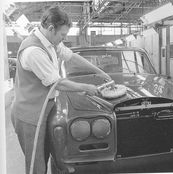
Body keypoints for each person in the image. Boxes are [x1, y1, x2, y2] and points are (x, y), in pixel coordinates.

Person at [11, 6, 111, 174]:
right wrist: (85, 88)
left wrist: (99, 71)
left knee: (52, 153)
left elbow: (71, 57)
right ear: (51, 28)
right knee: (36, 162)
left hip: (46, 108)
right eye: (63, 35)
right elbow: (57, 83)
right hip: (30, 115)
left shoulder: (50, 41)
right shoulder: (33, 51)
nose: (63, 38)